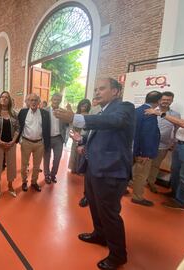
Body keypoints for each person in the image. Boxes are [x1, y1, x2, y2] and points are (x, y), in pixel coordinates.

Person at [54, 78, 135, 270]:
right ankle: (100, 235)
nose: (97, 92)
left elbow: (114, 122)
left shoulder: (125, 108)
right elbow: (104, 136)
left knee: (109, 213)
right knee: (96, 207)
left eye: (102, 89)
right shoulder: (103, 111)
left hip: (111, 171)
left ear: (115, 91)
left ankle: (118, 255)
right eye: (96, 89)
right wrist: (82, 141)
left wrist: (76, 118)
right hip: (95, 168)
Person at [145, 107, 184, 210]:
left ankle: (180, 202)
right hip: (180, 144)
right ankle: (174, 194)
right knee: (175, 172)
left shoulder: (179, 116)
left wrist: (160, 114)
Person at [131, 91, 162, 206]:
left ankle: (132, 189)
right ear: (158, 101)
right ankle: (137, 197)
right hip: (143, 151)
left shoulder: (136, 110)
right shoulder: (150, 113)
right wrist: (145, 153)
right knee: (141, 175)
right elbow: (148, 135)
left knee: (136, 172)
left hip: (135, 147)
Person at [147, 91, 181, 193]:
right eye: (164, 99)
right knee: (144, 164)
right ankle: (139, 182)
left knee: (156, 165)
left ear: (172, 101)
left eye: (168, 100)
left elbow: (176, 129)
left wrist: (174, 142)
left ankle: (151, 182)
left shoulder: (175, 114)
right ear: (159, 100)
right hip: (149, 144)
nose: (166, 101)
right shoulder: (151, 110)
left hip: (164, 146)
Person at [0, 91, 19, 198]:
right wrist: (0, 141)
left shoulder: (14, 113)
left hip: (11, 143)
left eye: (6, 97)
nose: (4, 99)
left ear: (9, 100)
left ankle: (10, 185)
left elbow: (18, 128)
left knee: (11, 165)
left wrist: (13, 141)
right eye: (2, 97)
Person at [18, 93, 50, 192]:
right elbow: (18, 127)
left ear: (39, 102)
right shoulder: (23, 112)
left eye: (35, 100)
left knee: (36, 166)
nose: (33, 102)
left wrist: (46, 144)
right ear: (28, 102)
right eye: (31, 100)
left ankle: (34, 182)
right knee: (24, 165)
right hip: (26, 142)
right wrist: (19, 140)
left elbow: (47, 129)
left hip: (39, 143)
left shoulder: (45, 113)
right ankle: (24, 182)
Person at [43, 93, 68, 184]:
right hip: (47, 139)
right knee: (46, 157)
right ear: (51, 100)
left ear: (60, 101)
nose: (56, 101)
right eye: (55, 99)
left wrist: (65, 138)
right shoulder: (45, 111)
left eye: (58, 100)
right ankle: (47, 175)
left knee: (57, 158)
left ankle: (53, 174)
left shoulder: (63, 112)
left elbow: (66, 125)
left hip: (58, 139)